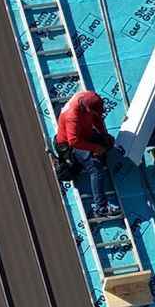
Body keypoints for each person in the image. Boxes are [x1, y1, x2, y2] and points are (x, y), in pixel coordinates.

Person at [53, 83, 114, 219]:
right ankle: (101, 208)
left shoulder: (89, 98)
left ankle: (97, 153)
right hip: (70, 144)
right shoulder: (72, 116)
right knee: (96, 170)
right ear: (86, 108)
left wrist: (103, 133)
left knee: (109, 141)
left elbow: (97, 117)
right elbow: (74, 141)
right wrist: (96, 148)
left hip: (85, 134)